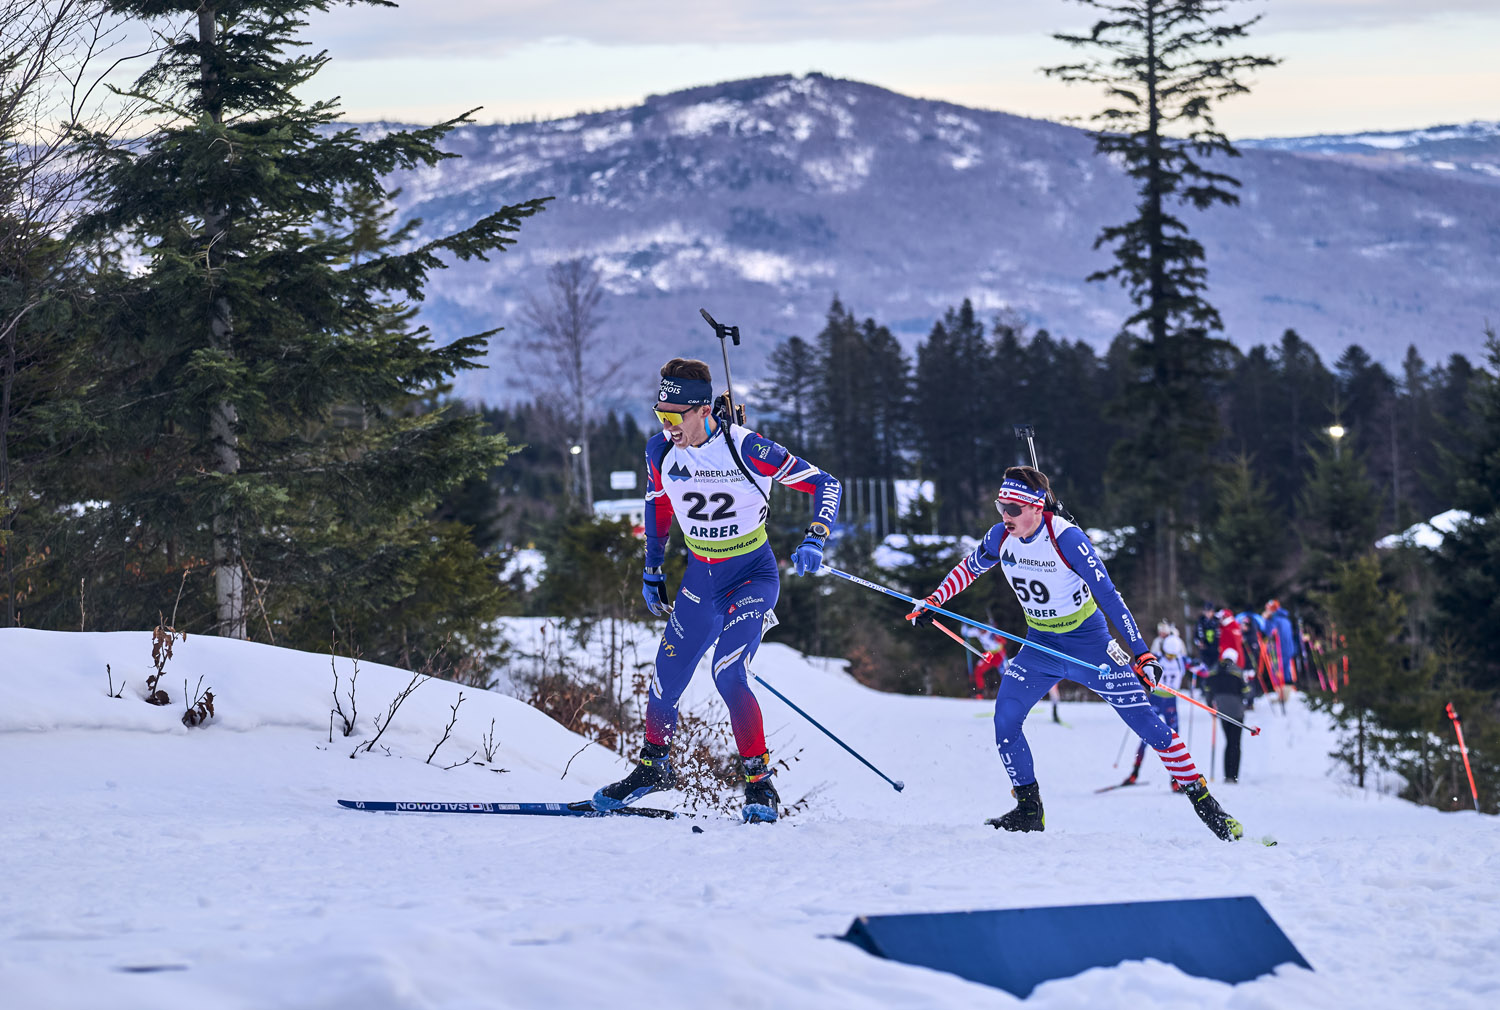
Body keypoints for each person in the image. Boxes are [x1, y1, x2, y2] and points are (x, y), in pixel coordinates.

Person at [907, 466, 1243, 841]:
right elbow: (970, 567)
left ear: (1036, 507)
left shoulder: (1066, 538)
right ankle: (1029, 810)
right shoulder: (1001, 536)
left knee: (1148, 725)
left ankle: (1208, 807)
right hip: (1040, 646)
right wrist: (935, 600)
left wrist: (1142, 653)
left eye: (1013, 509)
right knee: (1005, 720)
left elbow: (1109, 596)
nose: (1005, 516)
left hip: (1091, 644)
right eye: (1001, 506)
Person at [592, 357, 841, 823]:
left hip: (751, 577)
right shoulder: (659, 451)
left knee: (728, 672)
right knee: (664, 679)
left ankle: (759, 783)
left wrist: (816, 536)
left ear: (703, 410)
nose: (667, 426)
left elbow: (827, 483)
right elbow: (658, 507)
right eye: (660, 414)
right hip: (700, 579)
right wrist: (652, 568)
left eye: (675, 416)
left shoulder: (747, 448)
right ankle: (653, 768)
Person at [1121, 620, 1188, 790]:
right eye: (1169, 655)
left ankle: (1175, 780)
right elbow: (1135, 667)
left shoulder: (1178, 659)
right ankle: (1135, 773)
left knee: (1174, 741)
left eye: (1173, 656)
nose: (1171, 658)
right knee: (1146, 736)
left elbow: (1203, 670)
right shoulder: (1168, 659)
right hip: (1157, 700)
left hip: (1168, 701)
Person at [1202, 647, 1252, 783]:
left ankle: (1227, 774)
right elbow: (1247, 692)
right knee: (1235, 742)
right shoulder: (1238, 671)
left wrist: (1210, 706)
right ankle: (1233, 775)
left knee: (1228, 741)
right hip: (1237, 711)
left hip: (1222, 711)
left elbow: (1207, 689)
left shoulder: (1214, 670)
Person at [964, 625, 1008, 698]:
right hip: (989, 655)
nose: (981, 632)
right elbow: (966, 633)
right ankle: (980, 693)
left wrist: (996, 638)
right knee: (978, 670)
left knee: (1004, 673)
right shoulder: (977, 631)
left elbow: (1004, 641)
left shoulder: (991, 631)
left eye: (983, 631)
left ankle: (1008, 691)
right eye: (980, 630)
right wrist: (964, 627)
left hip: (999, 655)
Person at [1193, 601, 1219, 669]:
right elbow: (1195, 636)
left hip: (1215, 649)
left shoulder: (1217, 621)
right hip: (1204, 650)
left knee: (1215, 668)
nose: (1208, 613)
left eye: (1210, 611)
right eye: (1206, 611)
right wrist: (1199, 643)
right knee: (1206, 668)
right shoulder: (1200, 622)